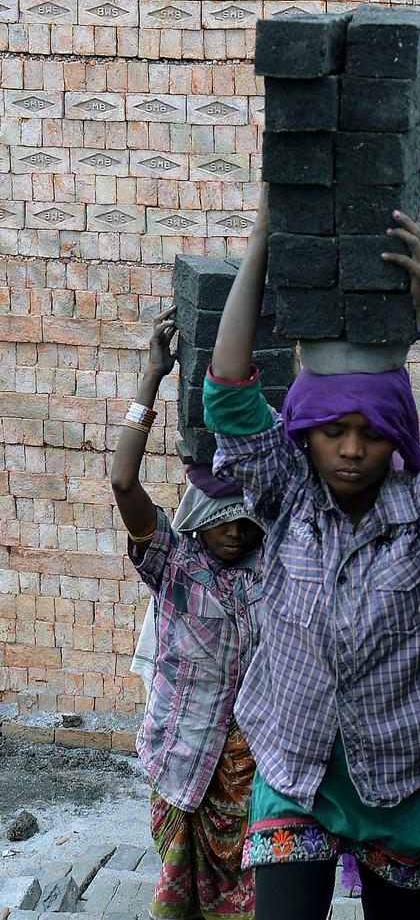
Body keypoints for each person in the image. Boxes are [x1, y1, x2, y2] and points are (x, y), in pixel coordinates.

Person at [205, 204, 420, 920]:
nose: (349, 449)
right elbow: (230, 398)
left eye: (370, 433)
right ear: (305, 435)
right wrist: (262, 247)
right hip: (295, 772)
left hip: (400, 779)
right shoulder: (285, 496)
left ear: (395, 436)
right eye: (332, 430)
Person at [111, 305, 265, 920]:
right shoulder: (173, 565)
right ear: (199, 517)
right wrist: (151, 381)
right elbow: (124, 484)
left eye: (245, 516)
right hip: (180, 766)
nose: (233, 529)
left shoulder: (271, 571)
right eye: (220, 515)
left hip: (250, 776)